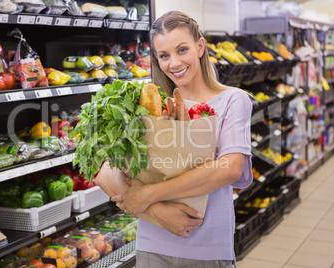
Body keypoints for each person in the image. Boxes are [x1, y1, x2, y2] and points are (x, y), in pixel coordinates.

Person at [95, 10, 253, 268]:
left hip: (208, 249)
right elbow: (107, 170)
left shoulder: (232, 100)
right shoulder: (147, 107)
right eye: (164, 55)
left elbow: (229, 168)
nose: (175, 63)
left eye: (182, 50)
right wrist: (156, 211)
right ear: (156, 59)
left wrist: (148, 194)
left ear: (200, 47)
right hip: (152, 247)